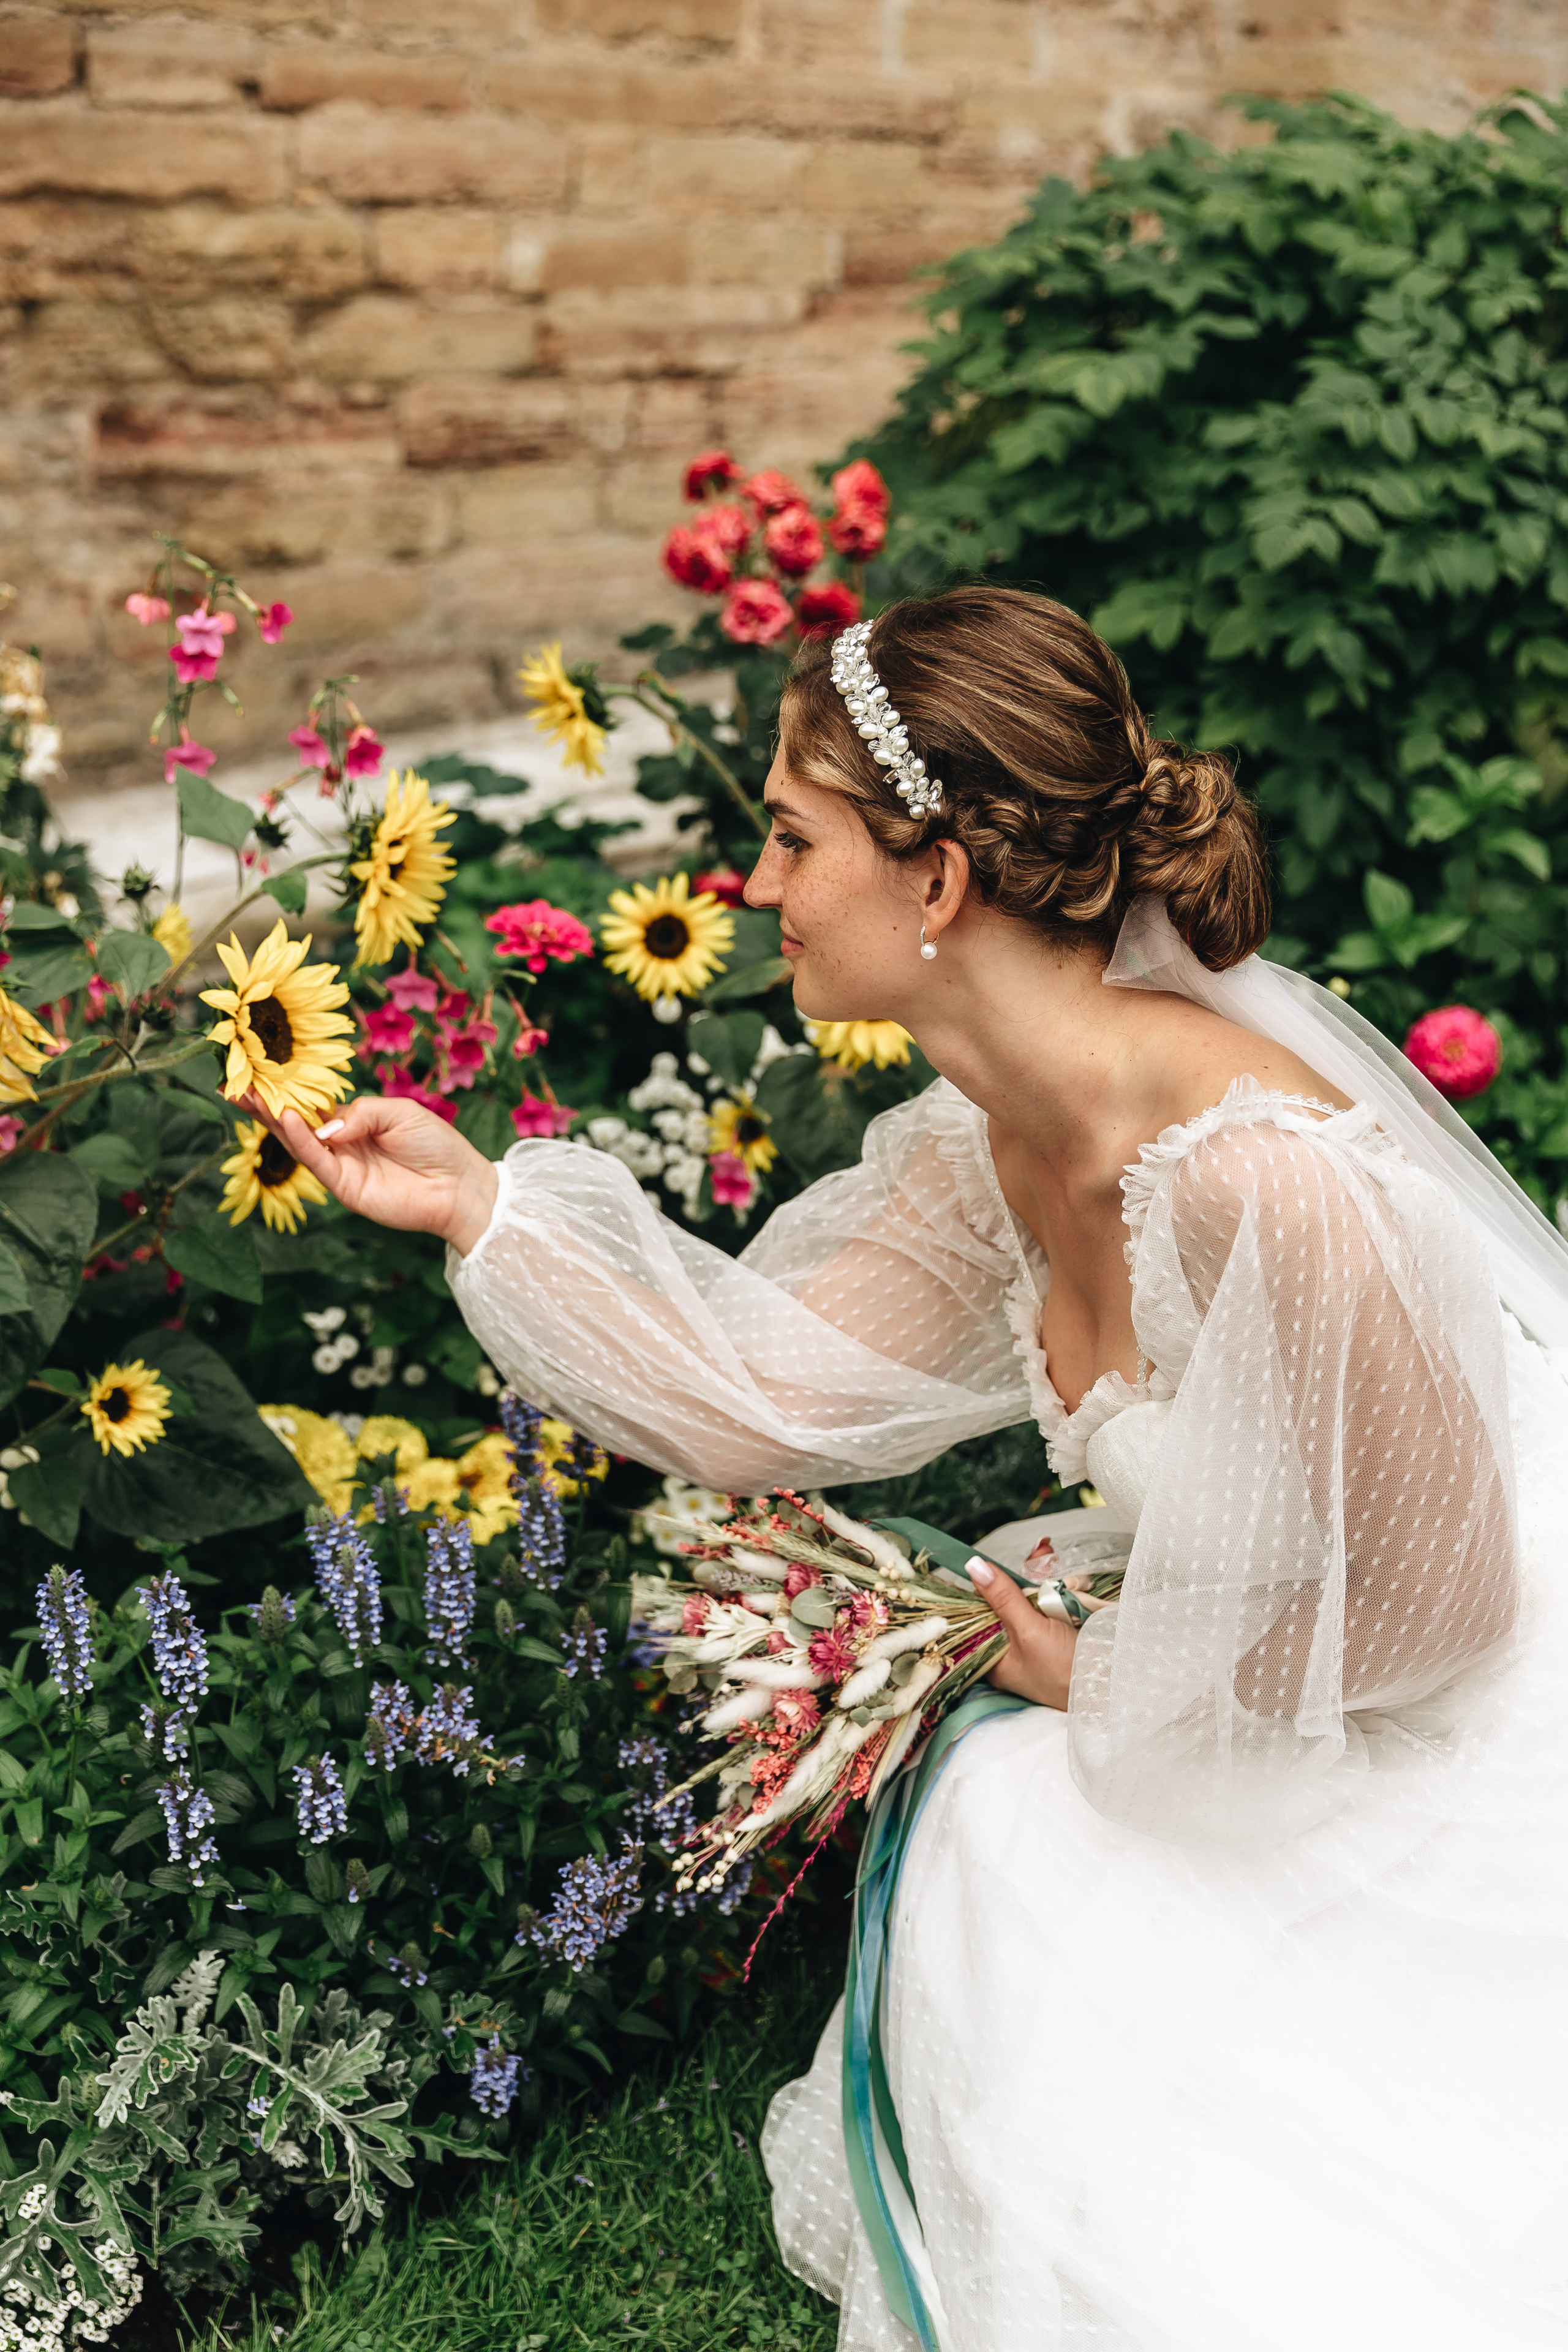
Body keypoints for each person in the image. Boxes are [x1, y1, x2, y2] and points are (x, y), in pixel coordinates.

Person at [251, 586, 1568, 2351]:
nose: (761, 890)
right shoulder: (990, 1146)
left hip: (1462, 1721)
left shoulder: (1268, 1178)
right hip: (1283, 1665)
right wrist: (478, 1205)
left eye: (793, 841)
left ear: (937, 881)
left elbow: (1452, 1605)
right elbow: (766, 1394)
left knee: (1024, 1834)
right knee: (1004, 1828)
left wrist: (1115, 1677)